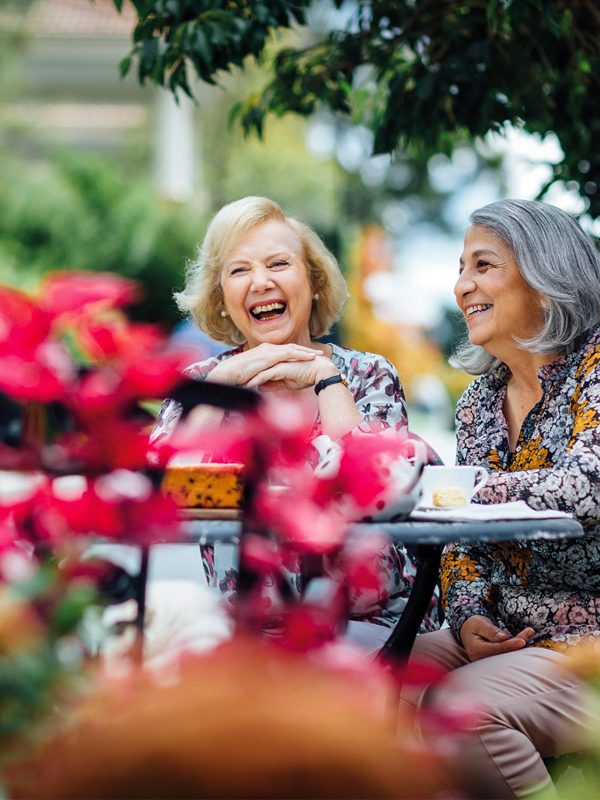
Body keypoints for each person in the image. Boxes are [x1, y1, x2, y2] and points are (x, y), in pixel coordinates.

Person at [152, 195, 438, 652]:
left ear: (315, 282)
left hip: (365, 621)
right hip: (245, 629)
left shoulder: (368, 375)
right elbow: (164, 493)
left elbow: (374, 492)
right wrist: (223, 381)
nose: (260, 282)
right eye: (239, 270)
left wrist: (327, 381)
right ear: (222, 297)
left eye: (278, 263)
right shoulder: (198, 384)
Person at [404, 199, 600, 798]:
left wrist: (466, 490)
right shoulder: (480, 402)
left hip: (588, 640)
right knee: (387, 680)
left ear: (544, 278)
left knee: (462, 714)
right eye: (461, 268)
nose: (463, 286)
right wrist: (467, 617)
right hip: (510, 625)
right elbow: (463, 540)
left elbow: (589, 486)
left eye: (483, 266)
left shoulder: (596, 368)